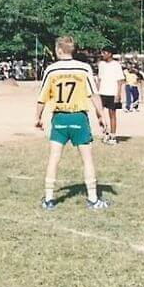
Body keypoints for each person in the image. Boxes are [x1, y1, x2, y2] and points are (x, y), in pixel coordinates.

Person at [35, 36, 109, 210]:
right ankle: (92, 199)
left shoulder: (51, 70)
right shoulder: (83, 68)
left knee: (54, 158)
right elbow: (93, 94)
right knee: (87, 159)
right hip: (79, 117)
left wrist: (37, 117)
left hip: (59, 117)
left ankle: (49, 199)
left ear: (59, 50)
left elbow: (42, 97)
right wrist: (101, 115)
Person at [97, 46, 125, 144]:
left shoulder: (116, 65)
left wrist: (118, 94)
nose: (102, 55)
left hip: (112, 93)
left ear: (109, 54)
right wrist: (96, 92)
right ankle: (105, 133)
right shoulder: (101, 64)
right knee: (99, 114)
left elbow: (120, 81)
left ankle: (113, 136)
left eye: (104, 53)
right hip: (102, 92)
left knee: (112, 114)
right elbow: (99, 79)